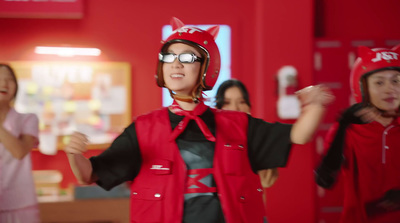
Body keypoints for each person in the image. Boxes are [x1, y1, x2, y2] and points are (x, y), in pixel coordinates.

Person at [65, 17, 333, 223]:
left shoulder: (237, 124)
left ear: (207, 67)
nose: (176, 64)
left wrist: (315, 106)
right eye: (169, 57)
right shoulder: (144, 128)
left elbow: (298, 135)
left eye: (187, 58)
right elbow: (89, 174)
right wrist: (73, 154)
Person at [315, 45, 400, 223]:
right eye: (379, 82)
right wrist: (342, 126)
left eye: (396, 81)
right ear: (362, 87)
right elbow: (325, 180)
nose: (390, 89)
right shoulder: (349, 129)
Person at [215, 79, 279, 188]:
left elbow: (266, 181)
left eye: (241, 102)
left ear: (249, 107)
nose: (235, 108)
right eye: (227, 103)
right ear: (217, 108)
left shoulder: (258, 138)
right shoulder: (211, 139)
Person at [0, 64, 40, 223]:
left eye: (9, 80)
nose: (4, 83)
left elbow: (19, 151)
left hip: (21, 205)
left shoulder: (28, 119)